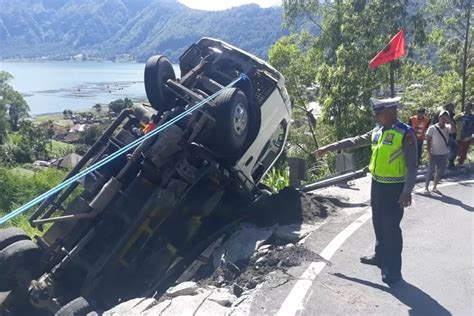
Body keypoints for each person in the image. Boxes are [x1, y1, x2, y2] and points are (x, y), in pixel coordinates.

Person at [314, 97, 417, 285]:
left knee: (391, 228)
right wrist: (329, 147)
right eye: (375, 114)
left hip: (395, 188)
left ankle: (394, 271)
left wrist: (407, 190)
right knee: (378, 223)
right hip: (377, 184)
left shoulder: (405, 133)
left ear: (391, 111)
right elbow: (354, 141)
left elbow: (412, 164)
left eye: (378, 114)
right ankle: (380, 256)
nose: (375, 117)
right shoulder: (378, 131)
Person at [424, 111, 456, 194]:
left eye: (445, 118)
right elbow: (428, 140)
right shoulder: (432, 128)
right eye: (442, 118)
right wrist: (429, 152)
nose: (443, 120)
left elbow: (455, 130)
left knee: (440, 171)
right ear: (439, 118)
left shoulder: (448, 127)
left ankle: (434, 187)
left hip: (444, 153)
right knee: (430, 170)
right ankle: (426, 188)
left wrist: (449, 119)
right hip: (433, 153)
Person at [445, 103, 458, 169]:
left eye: (453, 107)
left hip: (453, 135)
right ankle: (449, 162)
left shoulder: (454, 115)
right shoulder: (444, 115)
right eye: (451, 107)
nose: (452, 108)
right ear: (447, 107)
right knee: (454, 147)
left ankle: (450, 163)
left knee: (452, 149)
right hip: (446, 135)